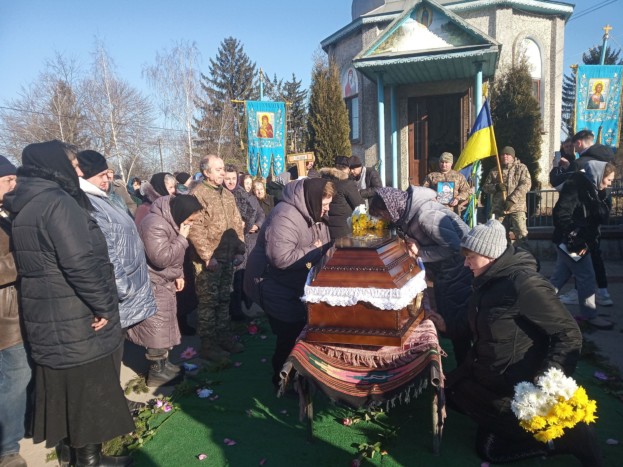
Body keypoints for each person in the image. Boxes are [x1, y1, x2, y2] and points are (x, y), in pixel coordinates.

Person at [4, 140, 134, 466]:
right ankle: (88, 460)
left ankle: (71, 454)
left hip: (50, 313)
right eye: (74, 165)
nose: (78, 171)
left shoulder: (28, 203)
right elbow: (79, 263)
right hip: (74, 314)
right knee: (86, 391)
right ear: (54, 165)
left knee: (67, 391)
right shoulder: (57, 202)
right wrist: (103, 305)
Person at [445, 219, 601, 466]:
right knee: (451, 391)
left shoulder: (524, 284)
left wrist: (545, 382)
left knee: (490, 451)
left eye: (470, 257)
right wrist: (444, 326)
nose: (466, 263)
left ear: (490, 255)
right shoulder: (487, 279)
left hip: (515, 383)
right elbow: (477, 320)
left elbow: (568, 333)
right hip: (489, 372)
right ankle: (503, 420)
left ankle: (567, 439)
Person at [77, 149, 158, 395]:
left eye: (108, 173)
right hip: (118, 285)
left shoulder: (104, 197)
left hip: (127, 279)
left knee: (116, 346)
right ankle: (108, 400)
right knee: (108, 350)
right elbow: (106, 249)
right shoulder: (87, 202)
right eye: (101, 175)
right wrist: (124, 287)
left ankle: (113, 397)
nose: (107, 179)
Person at [244, 178, 334, 388]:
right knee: (289, 331)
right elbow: (281, 258)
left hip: (290, 282)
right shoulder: (285, 216)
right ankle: (281, 379)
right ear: (313, 200)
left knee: (298, 327)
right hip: (270, 283)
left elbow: (323, 242)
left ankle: (298, 372)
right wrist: (314, 249)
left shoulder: (313, 212)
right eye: (325, 204)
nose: (327, 209)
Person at [369, 186, 473, 364]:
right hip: (445, 273)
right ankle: (462, 364)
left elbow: (454, 248)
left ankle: (465, 367)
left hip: (458, 271)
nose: (383, 219)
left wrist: (420, 252)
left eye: (381, 214)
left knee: (458, 321)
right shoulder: (406, 216)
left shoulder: (426, 216)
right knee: (450, 319)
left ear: (391, 208)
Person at [127, 195, 203, 387]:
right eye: (190, 219)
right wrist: (182, 239)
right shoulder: (155, 225)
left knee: (163, 323)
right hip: (152, 283)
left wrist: (179, 274)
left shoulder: (170, 222)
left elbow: (174, 257)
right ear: (181, 213)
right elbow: (162, 258)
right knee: (156, 326)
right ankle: (157, 371)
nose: (190, 224)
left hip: (163, 281)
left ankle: (164, 365)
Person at [188, 155, 246, 363]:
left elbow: (237, 222)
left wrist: (240, 249)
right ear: (206, 172)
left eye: (223, 169)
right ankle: (208, 345)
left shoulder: (226, 194)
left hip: (228, 257)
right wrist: (207, 256)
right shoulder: (198, 194)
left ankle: (223, 337)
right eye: (218, 169)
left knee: (223, 300)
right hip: (209, 262)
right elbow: (194, 228)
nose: (223, 173)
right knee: (208, 304)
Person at [550, 161, 616, 330]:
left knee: (557, 280)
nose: (610, 184)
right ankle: (589, 315)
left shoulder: (593, 190)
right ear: (599, 175)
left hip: (575, 242)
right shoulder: (576, 187)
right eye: (609, 179)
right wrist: (574, 233)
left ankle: (534, 306)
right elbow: (561, 214)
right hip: (572, 242)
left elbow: (598, 216)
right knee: (586, 276)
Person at [0, 155, 31, 467]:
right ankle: (7, 449)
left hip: (18, 309)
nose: (14, 185)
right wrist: (24, 257)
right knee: (14, 378)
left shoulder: (6, 213)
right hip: (5, 318)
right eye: (8, 180)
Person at [224, 164, 263, 321]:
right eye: (227, 178)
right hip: (226, 244)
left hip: (243, 241)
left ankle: (239, 309)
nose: (231, 182)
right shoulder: (221, 195)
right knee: (229, 280)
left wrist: (252, 224)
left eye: (233, 178)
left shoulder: (242, 194)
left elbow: (255, 212)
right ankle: (230, 313)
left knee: (240, 277)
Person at [481, 146, 531, 243]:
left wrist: (512, 200)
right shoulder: (495, 171)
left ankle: (523, 251)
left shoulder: (521, 168)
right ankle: (505, 251)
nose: (505, 156)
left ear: (513, 156)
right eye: (503, 154)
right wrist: (496, 187)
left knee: (521, 233)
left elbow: (526, 185)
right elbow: (485, 187)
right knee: (499, 235)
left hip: (517, 207)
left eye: (507, 154)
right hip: (499, 208)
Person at [319, 156, 364, 239]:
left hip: (326, 228)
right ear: (347, 169)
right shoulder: (347, 183)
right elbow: (360, 205)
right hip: (344, 230)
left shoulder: (323, 180)